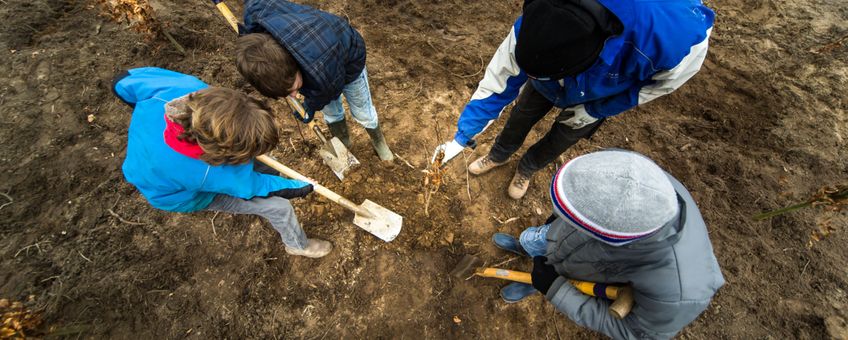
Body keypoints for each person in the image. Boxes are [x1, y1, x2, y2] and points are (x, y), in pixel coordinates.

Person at [433, 0, 715, 199]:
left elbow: (655, 87)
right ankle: (498, 155)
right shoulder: (539, 17)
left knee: (562, 138)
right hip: (553, 77)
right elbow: (498, 82)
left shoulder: (679, 41)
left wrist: (596, 109)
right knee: (521, 115)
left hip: (600, 94)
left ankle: (527, 169)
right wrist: (462, 137)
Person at [491, 149, 724, 339]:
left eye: (575, 215)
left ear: (610, 236)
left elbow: (631, 331)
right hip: (568, 241)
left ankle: (536, 284)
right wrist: (562, 217)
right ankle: (527, 249)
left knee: (548, 277)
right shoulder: (637, 175)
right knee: (536, 243)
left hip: (593, 272)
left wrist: (556, 290)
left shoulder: (678, 292)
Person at [113, 67, 332, 258]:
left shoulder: (187, 91)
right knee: (278, 206)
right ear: (224, 151)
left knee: (267, 165)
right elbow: (252, 187)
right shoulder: (208, 172)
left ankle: (266, 171)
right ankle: (297, 245)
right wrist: (299, 186)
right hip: (179, 194)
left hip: (161, 163)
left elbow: (123, 82)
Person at [236, 0, 394, 161]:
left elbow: (328, 91)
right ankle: (343, 142)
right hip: (320, 61)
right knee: (332, 112)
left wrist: (311, 105)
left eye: (294, 89)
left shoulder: (320, 67)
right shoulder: (257, 17)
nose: (295, 95)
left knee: (362, 111)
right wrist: (247, 37)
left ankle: (379, 141)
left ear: (296, 66)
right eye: (287, 93)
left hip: (349, 60)